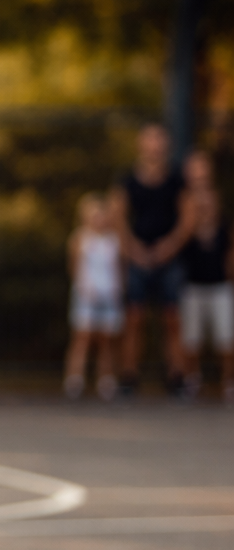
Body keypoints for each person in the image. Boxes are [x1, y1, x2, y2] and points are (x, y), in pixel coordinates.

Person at [111, 123, 187, 394]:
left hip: (169, 259)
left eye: (160, 141)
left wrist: (170, 246)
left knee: (172, 319)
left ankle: (177, 378)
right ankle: (129, 377)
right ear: (141, 145)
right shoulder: (128, 179)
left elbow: (187, 218)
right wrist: (133, 249)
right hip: (138, 257)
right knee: (134, 318)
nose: (155, 146)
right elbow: (118, 216)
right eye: (150, 140)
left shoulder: (177, 179)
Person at [174, 152, 234, 401]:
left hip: (220, 286)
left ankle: (228, 382)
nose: (204, 207)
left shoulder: (224, 228)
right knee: (191, 339)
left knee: (226, 338)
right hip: (192, 287)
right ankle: (192, 380)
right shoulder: (186, 230)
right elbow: (177, 246)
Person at [64, 192, 122, 400]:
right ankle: (74, 380)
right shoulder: (80, 238)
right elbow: (74, 267)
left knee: (106, 340)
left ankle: (106, 380)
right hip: (86, 295)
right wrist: (85, 288)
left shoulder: (113, 239)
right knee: (82, 338)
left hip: (108, 295)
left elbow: (117, 269)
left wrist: (115, 290)